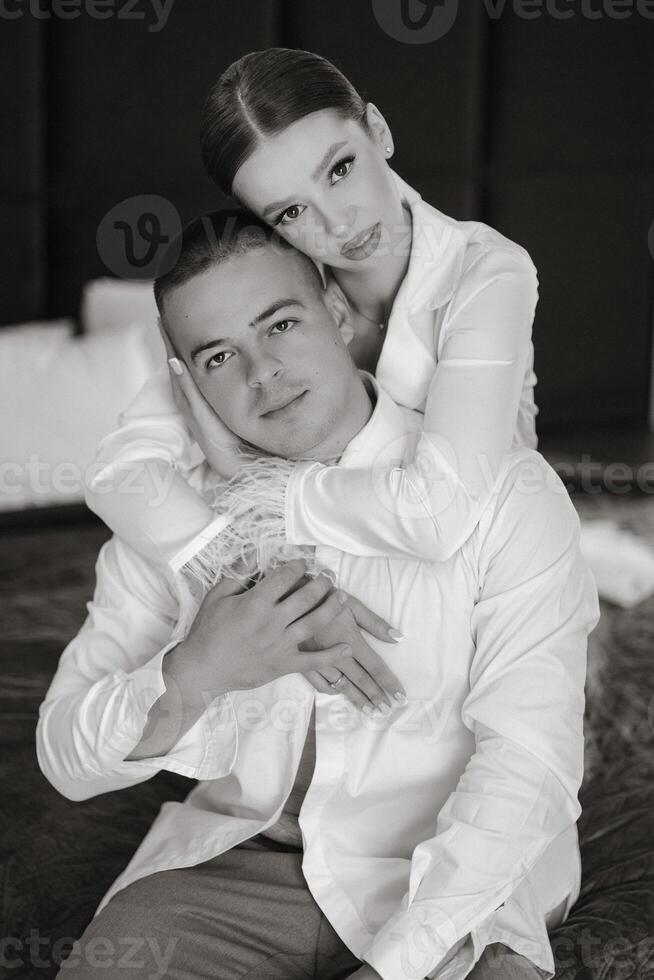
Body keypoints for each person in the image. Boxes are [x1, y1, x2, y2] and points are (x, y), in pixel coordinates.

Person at [39, 211, 600, 980]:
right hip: (236, 867)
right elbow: (64, 754)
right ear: (185, 382)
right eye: (218, 355)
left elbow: (528, 762)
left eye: (280, 323)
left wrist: (397, 965)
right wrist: (200, 672)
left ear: (337, 312)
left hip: (454, 885)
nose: (261, 373)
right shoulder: (167, 515)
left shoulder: (500, 494)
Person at [85, 48, 540, 630]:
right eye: (291, 211)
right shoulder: (270, 294)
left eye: (340, 169)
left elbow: (441, 515)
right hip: (321, 564)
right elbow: (118, 472)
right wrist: (244, 567)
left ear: (378, 130)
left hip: (483, 564)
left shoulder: (488, 272)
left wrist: (254, 480)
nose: (336, 224)